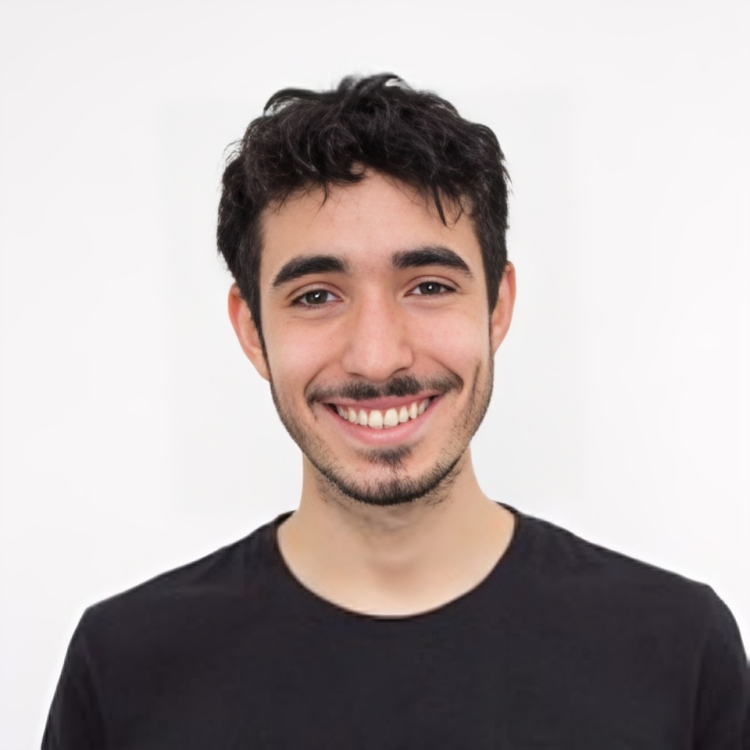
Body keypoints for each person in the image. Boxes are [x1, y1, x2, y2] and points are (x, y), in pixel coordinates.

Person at [43, 73, 749, 749]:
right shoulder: (124, 665)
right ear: (252, 329)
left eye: (429, 286)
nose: (378, 358)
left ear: (497, 307)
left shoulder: (679, 648)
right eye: (316, 296)